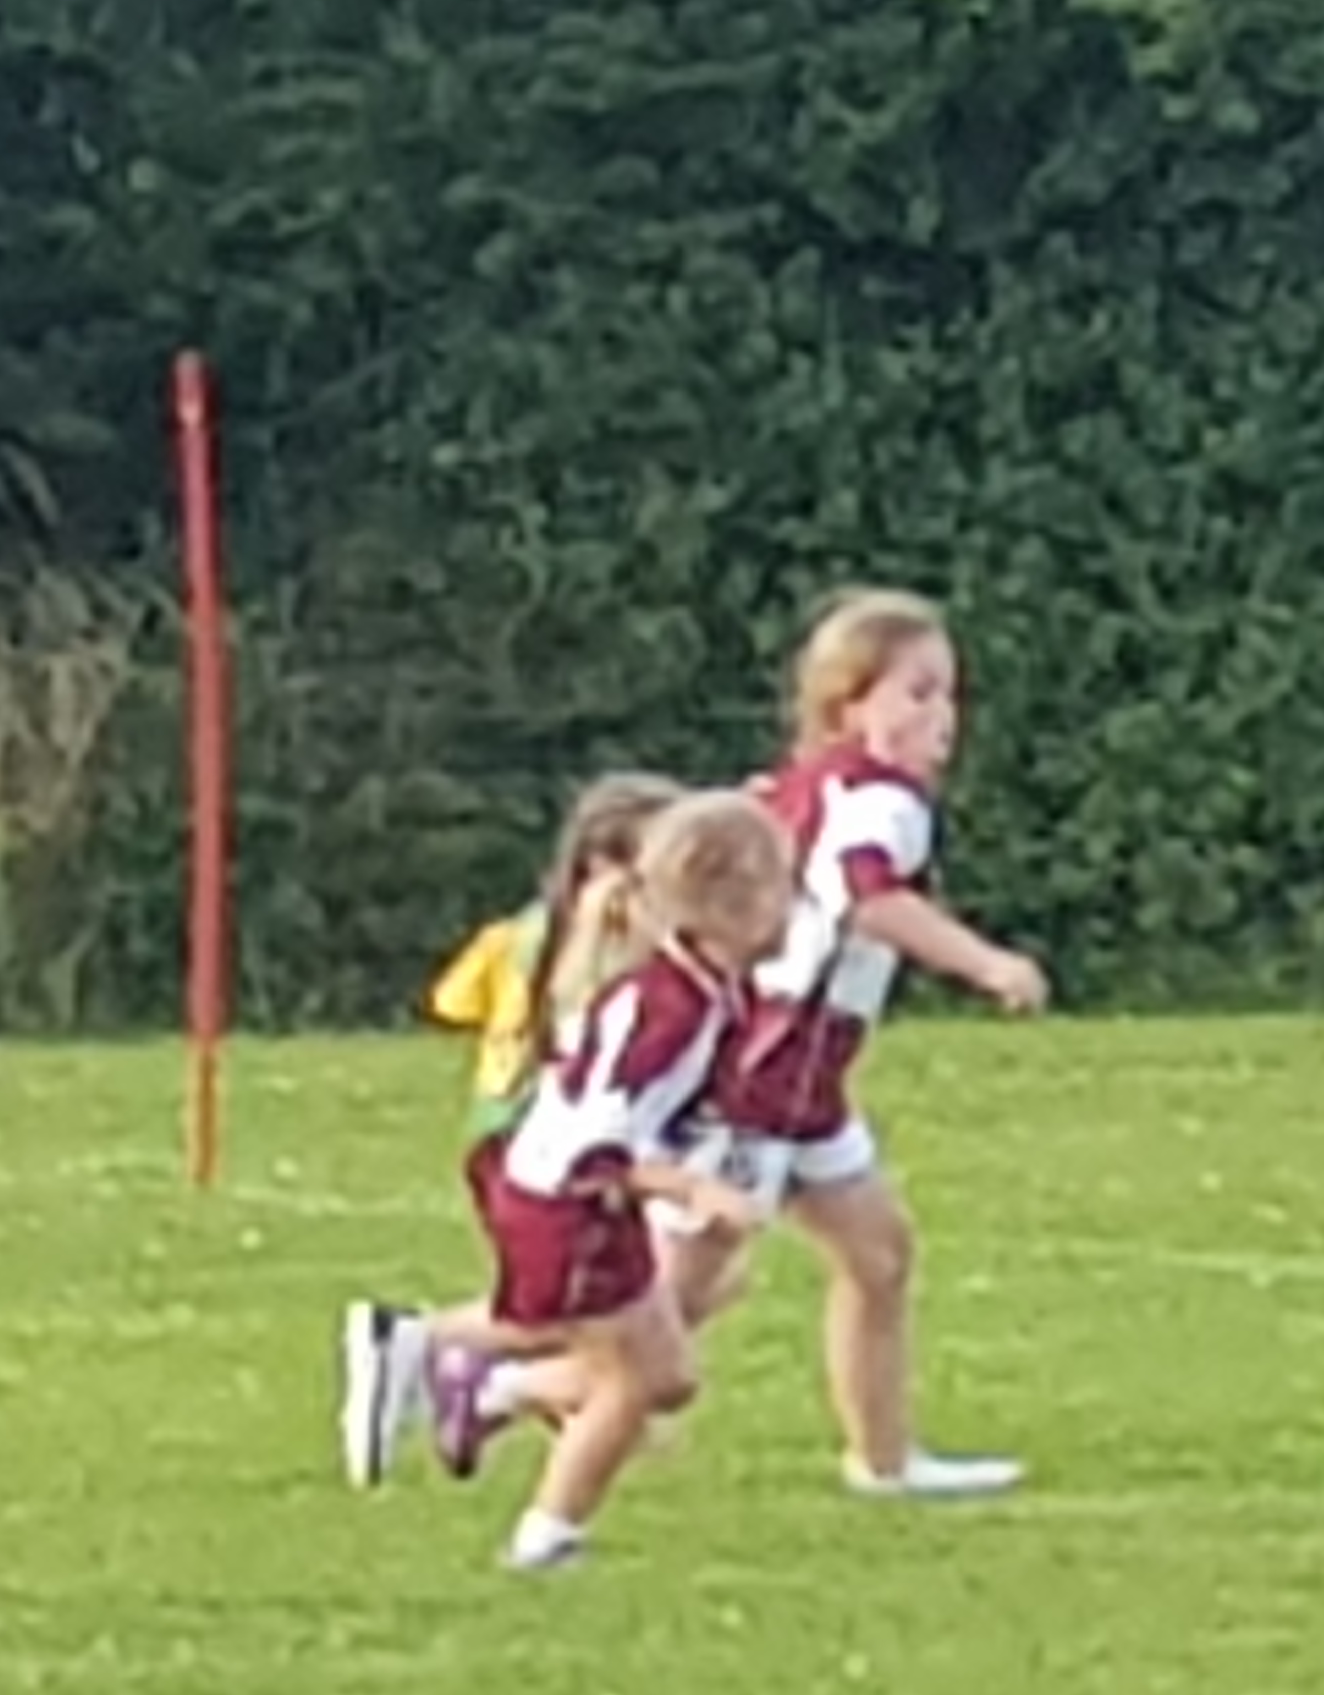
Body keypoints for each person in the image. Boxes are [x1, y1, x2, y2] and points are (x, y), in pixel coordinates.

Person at [440, 588, 1050, 1498]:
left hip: (804, 1086)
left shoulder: (810, 783)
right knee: (663, 1316)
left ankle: (885, 1465)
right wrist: (987, 962)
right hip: (762, 1082)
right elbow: (868, 895)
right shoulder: (882, 804)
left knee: (879, 1256)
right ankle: (467, 1370)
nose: (943, 716)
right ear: (850, 705)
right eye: (917, 693)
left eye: (949, 693)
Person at [416, 788, 785, 1569]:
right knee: (631, 1380)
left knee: (668, 1375)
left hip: (580, 1199)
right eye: (782, 884)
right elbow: (597, 1135)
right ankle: (545, 1534)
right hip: (565, 1202)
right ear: (727, 904)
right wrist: (691, 1190)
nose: (795, 903)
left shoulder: (703, 987)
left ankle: (477, 1387)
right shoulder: (669, 1010)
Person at [337, 771, 682, 1486]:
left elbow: (456, 1001)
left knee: (628, 1314)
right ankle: (430, 1351)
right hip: (544, 1153)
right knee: (567, 1319)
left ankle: (527, 1391)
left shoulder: (530, 929)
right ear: (607, 866)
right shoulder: (607, 941)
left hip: (506, 1138)